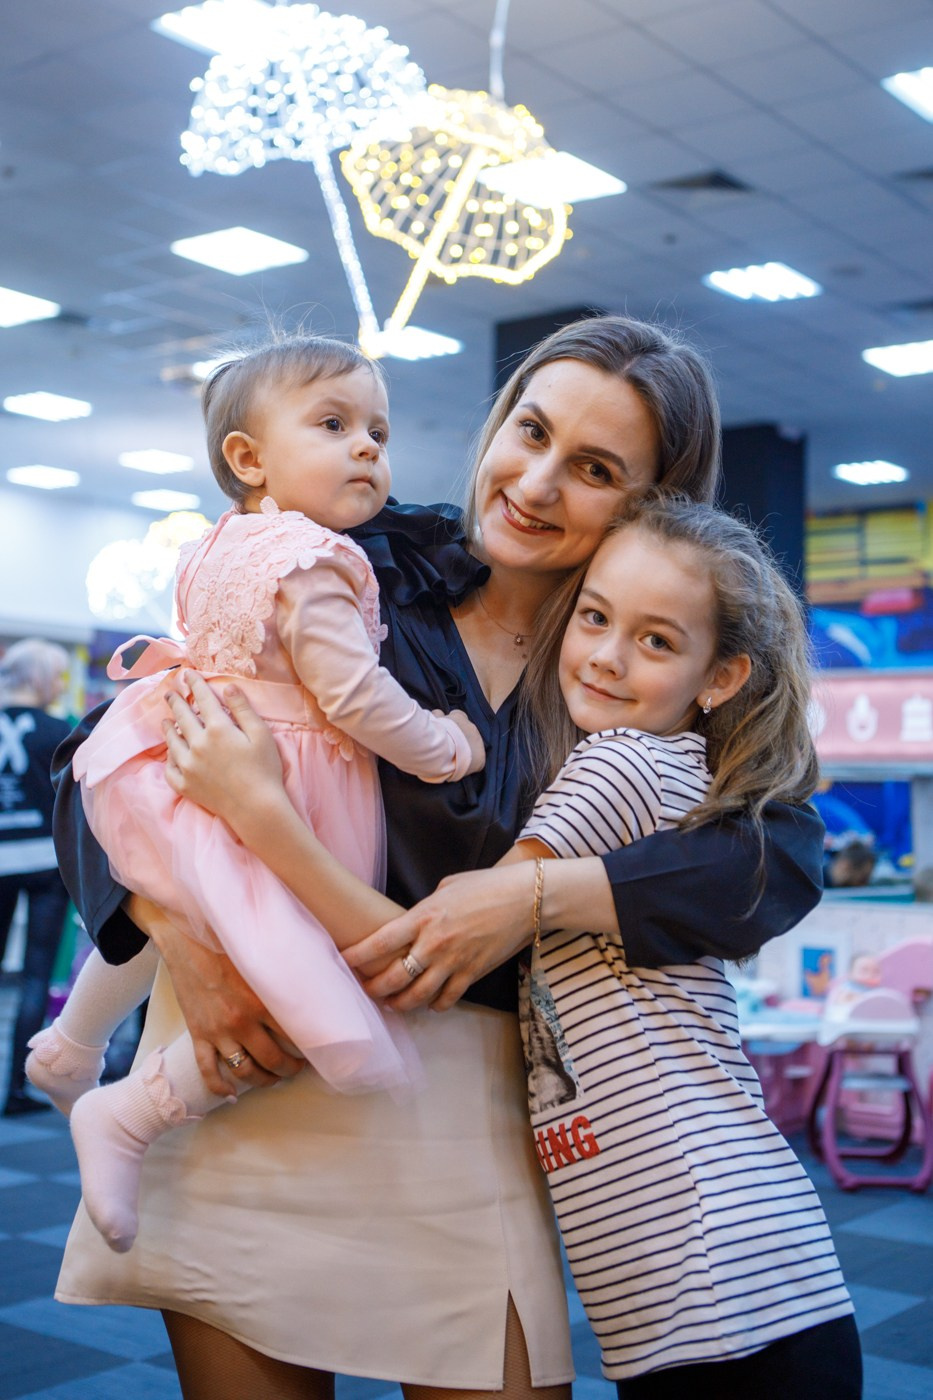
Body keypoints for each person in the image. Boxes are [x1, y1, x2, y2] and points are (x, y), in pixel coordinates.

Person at [52, 316, 825, 1400]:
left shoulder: (624, 662)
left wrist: (536, 894)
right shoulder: (345, 563)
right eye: (530, 429)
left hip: (465, 1110)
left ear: (649, 502)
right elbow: (102, 756)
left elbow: (779, 854)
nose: (537, 482)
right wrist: (183, 939)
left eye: (595, 468)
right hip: (236, 1078)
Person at [29, 335, 484, 1254]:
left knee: (185, 900)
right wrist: (446, 746)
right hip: (289, 776)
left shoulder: (220, 545)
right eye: (333, 424)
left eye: (377, 431)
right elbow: (355, 697)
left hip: (178, 749)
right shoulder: (317, 559)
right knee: (294, 973)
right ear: (248, 457)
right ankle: (131, 1113)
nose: (367, 447)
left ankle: (72, 1043)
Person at [501, 496, 859, 1397]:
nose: (607, 656)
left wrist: (263, 818)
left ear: (720, 677)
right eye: (594, 616)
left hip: (708, 1273)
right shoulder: (682, 773)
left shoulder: (620, 762)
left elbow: (463, 920)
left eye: (656, 641)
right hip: (741, 1265)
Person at [0, 638, 73, 1117]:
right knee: (35, 973)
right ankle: (17, 1089)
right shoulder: (58, 731)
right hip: (47, 862)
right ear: (41, 679)